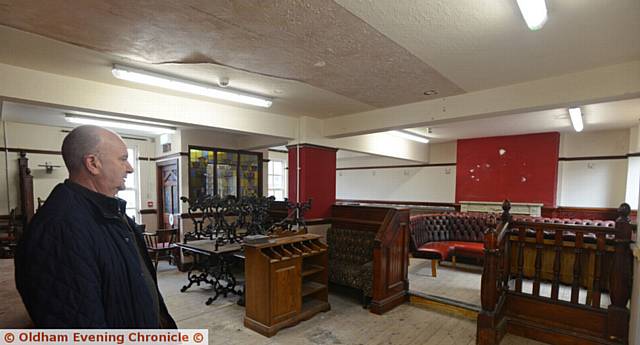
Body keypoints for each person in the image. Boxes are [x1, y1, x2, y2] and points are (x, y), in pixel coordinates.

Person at [15, 125, 176, 328]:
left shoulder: (110, 211)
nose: (130, 168)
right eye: (123, 158)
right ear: (93, 163)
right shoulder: (60, 227)